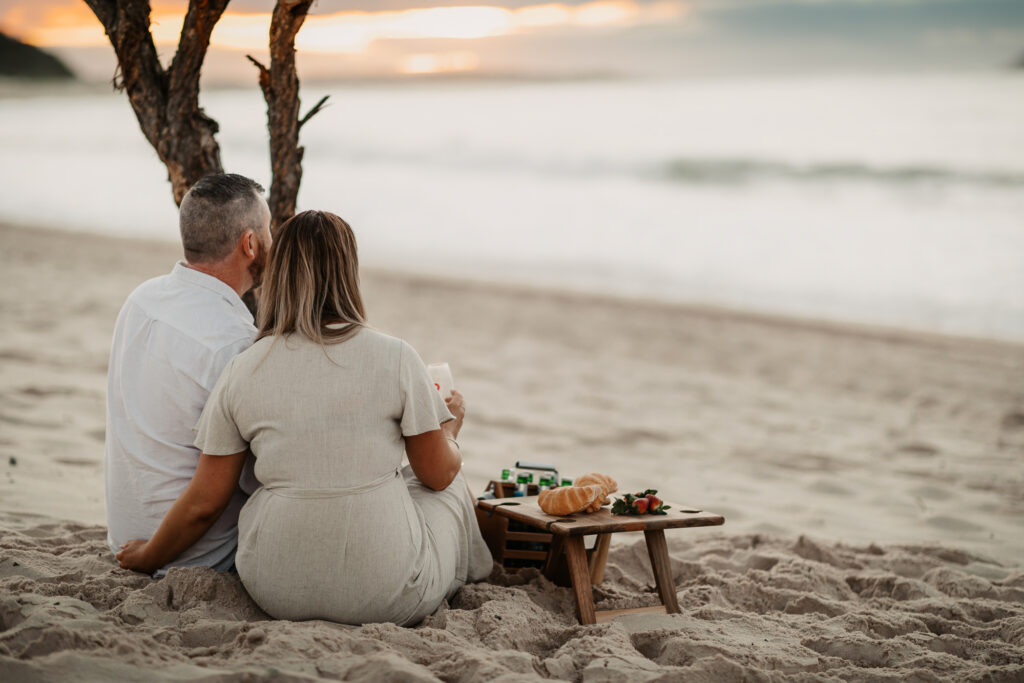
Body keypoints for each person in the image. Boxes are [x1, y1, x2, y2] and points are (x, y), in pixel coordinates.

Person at [117, 210, 493, 626]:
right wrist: (450, 431)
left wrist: (148, 555)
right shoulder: (397, 357)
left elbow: (204, 502)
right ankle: (480, 575)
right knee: (451, 487)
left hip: (274, 588)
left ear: (281, 275)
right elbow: (436, 474)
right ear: (350, 273)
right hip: (386, 590)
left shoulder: (245, 367)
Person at [105, 173, 272, 575]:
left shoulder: (141, 299)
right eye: (269, 230)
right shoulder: (235, 343)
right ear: (249, 244)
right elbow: (209, 502)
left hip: (124, 532)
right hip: (192, 555)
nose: (273, 240)